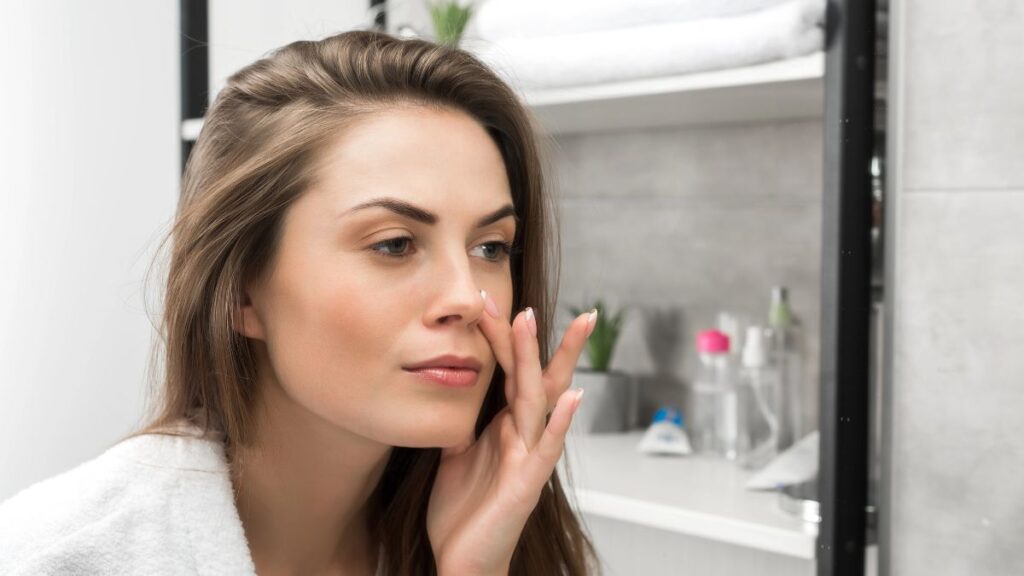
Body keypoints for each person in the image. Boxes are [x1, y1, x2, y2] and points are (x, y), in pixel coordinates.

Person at [0, 30, 601, 575]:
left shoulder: (510, 536)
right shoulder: (53, 558)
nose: (467, 298)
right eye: (394, 243)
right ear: (240, 291)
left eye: (491, 248)